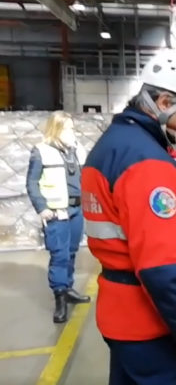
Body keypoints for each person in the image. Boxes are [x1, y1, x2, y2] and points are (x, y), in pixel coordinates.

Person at [81, 48, 176, 385]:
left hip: (125, 318)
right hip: (154, 326)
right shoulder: (147, 164)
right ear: (164, 102)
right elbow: (165, 270)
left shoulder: (116, 143)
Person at [26, 111, 91, 323]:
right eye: (68, 128)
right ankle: (60, 297)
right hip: (56, 212)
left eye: (72, 128)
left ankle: (68, 288)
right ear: (56, 129)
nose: (72, 132)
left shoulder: (77, 150)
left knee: (71, 252)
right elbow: (32, 182)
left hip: (76, 210)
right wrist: (41, 208)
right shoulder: (41, 151)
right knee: (59, 255)